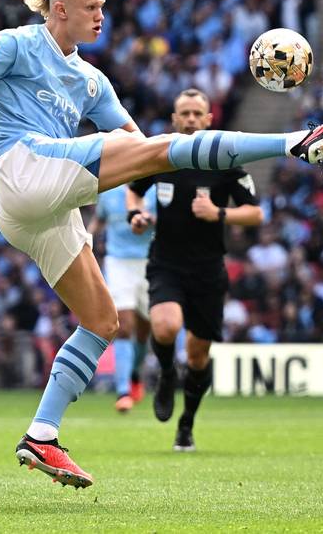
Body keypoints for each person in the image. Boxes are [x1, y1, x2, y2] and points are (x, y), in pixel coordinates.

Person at [0, 0, 323, 489]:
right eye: (92, 8)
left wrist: (156, 174)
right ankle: (294, 142)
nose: (102, 17)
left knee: (102, 321)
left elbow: (144, 148)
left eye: (103, 7)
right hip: (18, 169)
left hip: (42, 207)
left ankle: (42, 436)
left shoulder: (93, 80)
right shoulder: (15, 43)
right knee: (146, 150)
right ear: (60, 9)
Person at [128, 88, 264, 452]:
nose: (190, 119)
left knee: (198, 355)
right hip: (166, 263)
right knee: (165, 326)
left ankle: (186, 423)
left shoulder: (225, 161)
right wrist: (135, 214)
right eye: (184, 113)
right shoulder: (162, 155)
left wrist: (218, 213)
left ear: (208, 119)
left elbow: (255, 213)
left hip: (207, 269)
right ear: (174, 119)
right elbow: (134, 189)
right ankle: (166, 373)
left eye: (196, 113)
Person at [87, 183, 155, 413]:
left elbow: (170, 223)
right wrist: (85, 241)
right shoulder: (109, 193)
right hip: (118, 263)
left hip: (150, 263)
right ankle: (123, 391)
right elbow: (99, 219)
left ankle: (134, 372)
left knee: (145, 329)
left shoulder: (153, 190)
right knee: (124, 326)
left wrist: (151, 220)